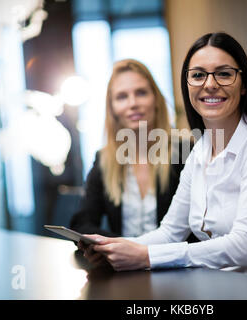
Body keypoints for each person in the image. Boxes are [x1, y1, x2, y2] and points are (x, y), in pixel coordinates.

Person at [79, 32, 247, 272]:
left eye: (224, 74)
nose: (210, 84)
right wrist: (111, 248)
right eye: (198, 75)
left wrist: (147, 256)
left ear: (244, 86)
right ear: (187, 86)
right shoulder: (199, 151)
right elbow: (169, 232)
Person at [70, 59, 192, 238]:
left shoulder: (185, 152)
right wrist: (115, 248)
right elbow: (81, 224)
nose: (132, 103)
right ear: (112, 108)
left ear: (156, 100)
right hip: (123, 265)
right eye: (122, 97)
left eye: (141, 93)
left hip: (177, 263)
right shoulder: (105, 159)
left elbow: (198, 231)